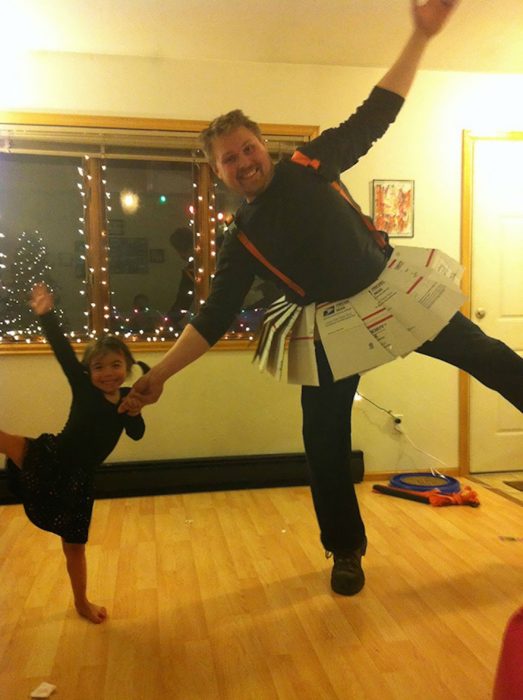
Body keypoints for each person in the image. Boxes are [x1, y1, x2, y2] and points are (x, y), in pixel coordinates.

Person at [120, 0, 523, 596]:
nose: (243, 161)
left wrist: (420, 36)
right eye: (228, 159)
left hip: (394, 290)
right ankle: (346, 550)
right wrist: (162, 377)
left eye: (247, 147)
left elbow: (377, 112)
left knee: (492, 358)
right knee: (322, 439)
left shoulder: (312, 162)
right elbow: (212, 318)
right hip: (330, 327)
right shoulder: (242, 240)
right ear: (219, 174)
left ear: (264, 145)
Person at [2, 283, 148, 623]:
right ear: (88, 373)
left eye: (115, 365)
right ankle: (81, 602)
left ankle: (81, 601)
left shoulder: (128, 397)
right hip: (51, 456)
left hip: (79, 481)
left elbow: (138, 435)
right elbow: (64, 352)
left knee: (74, 546)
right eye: (98, 368)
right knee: (4, 438)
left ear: (126, 364)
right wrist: (45, 314)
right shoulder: (83, 388)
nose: (108, 373)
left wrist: (136, 412)